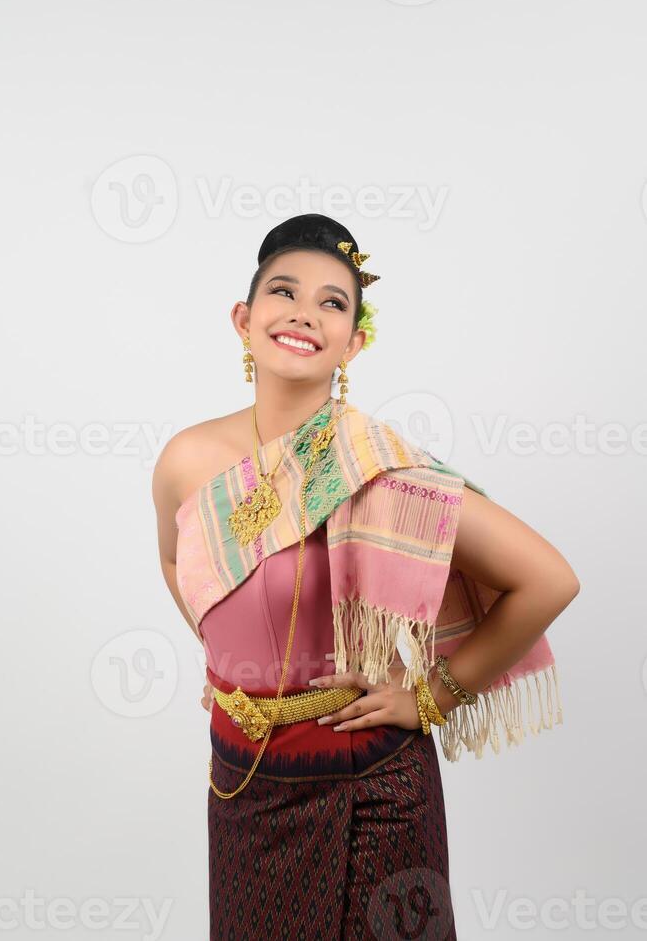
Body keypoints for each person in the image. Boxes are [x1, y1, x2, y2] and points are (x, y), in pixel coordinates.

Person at [152, 213, 580, 941]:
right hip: (241, 778)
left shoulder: (378, 467)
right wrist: (229, 657)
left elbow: (548, 580)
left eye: (332, 302)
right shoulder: (186, 459)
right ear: (244, 318)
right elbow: (179, 561)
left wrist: (433, 697)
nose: (303, 314)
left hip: (370, 787)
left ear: (354, 341)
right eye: (283, 291)